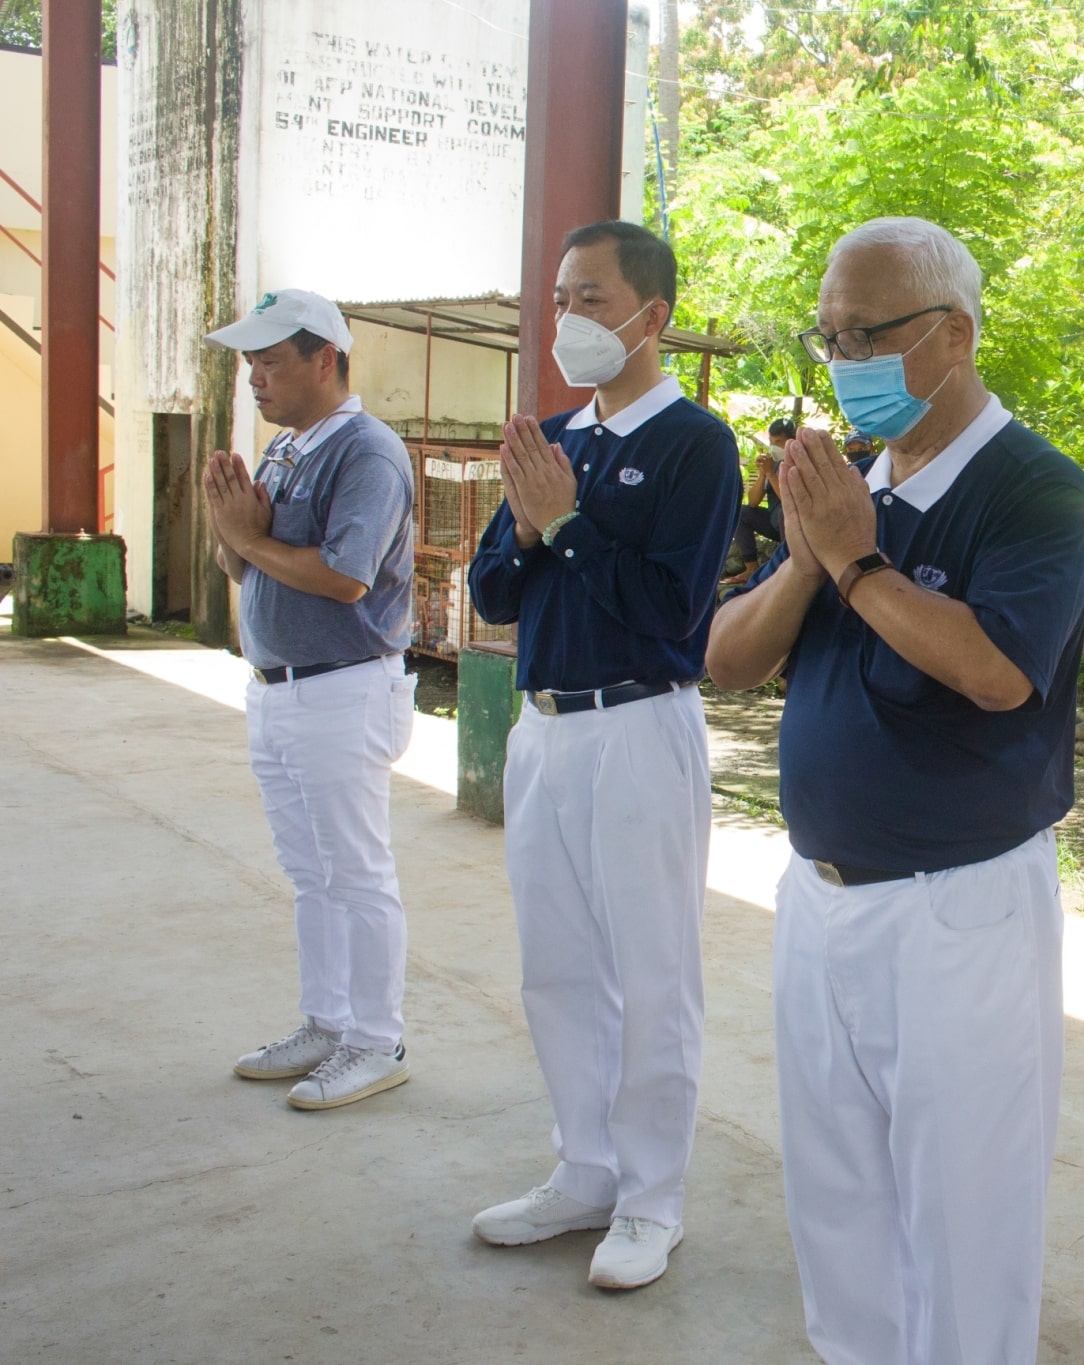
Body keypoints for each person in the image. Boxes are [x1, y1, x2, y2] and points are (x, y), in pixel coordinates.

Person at [706, 216, 1084, 1364]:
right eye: (827, 337)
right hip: (819, 896)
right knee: (835, 1194)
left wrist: (859, 561)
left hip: (956, 910)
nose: (842, 361)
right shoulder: (846, 488)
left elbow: (992, 672)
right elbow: (727, 663)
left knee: (964, 1207)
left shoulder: (1032, 491)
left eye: (865, 334)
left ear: (953, 335)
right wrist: (811, 552)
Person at [466, 220, 741, 1291]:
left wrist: (567, 527)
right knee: (560, 966)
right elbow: (492, 591)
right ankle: (583, 1169)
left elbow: (673, 612)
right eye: (560, 299)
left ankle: (649, 1200)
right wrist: (533, 526)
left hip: (637, 728)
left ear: (650, 316)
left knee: (650, 973)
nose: (568, 319)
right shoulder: (551, 437)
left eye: (591, 298)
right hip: (544, 734)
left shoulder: (694, 447)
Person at [203, 288, 418, 1112]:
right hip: (280, 689)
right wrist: (234, 534)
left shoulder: (365, 452)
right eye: (249, 362)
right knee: (311, 874)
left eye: (269, 360)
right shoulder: (286, 450)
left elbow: (345, 575)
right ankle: (328, 1022)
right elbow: (245, 567)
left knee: (356, 872)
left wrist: (251, 537)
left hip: (341, 689)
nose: (254, 377)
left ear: (324, 359)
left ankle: (376, 1039)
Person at [727, 417, 793, 583]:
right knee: (742, 512)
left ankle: (788, 566)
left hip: (794, 525)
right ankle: (751, 568)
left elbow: (790, 501)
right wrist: (764, 472)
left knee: (784, 513)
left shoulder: (801, 464)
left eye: (778, 442)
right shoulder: (774, 464)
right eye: (771, 442)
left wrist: (771, 474)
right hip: (774, 524)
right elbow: (753, 502)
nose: (774, 447)